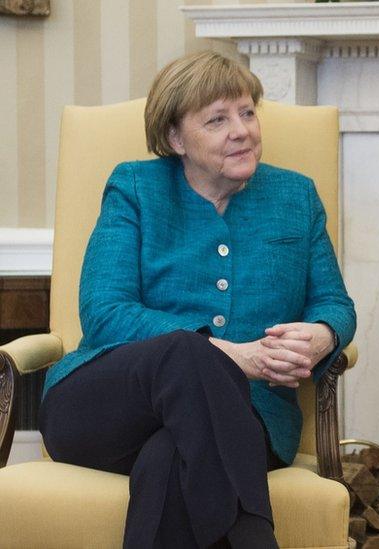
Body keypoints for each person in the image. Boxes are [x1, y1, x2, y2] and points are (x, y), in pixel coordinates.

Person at [38, 51, 356, 548]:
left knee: (168, 459)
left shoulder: (295, 197)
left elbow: (334, 303)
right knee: (188, 349)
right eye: (217, 119)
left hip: (252, 417)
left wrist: (321, 335)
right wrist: (234, 356)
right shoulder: (135, 187)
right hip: (104, 406)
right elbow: (105, 312)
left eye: (248, 112)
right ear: (175, 138)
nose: (242, 130)